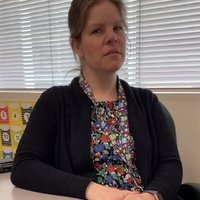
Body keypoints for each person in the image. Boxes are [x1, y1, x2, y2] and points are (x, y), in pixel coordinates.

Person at [10, 0, 183, 200]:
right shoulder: (55, 102)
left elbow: (170, 164)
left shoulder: (147, 101)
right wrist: (91, 190)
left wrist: (151, 196)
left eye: (118, 27)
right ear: (77, 45)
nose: (112, 37)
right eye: (97, 30)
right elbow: (24, 166)